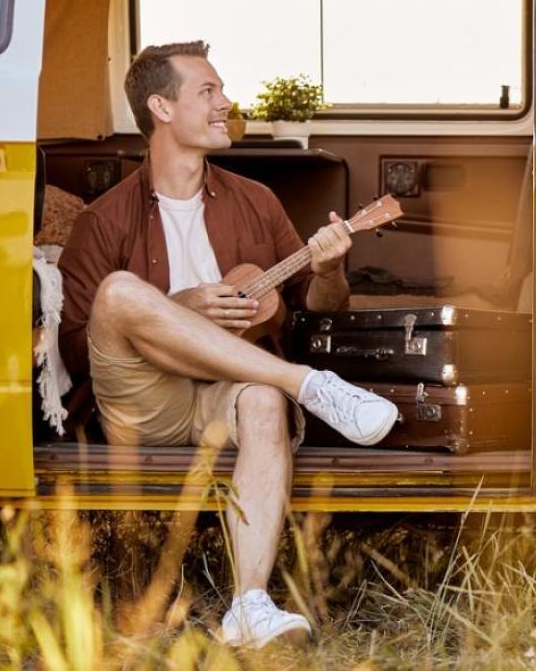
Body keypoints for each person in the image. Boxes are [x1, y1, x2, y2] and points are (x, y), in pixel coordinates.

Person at [59, 41, 399, 647]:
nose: (226, 103)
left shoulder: (256, 200)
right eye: (208, 92)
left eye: (222, 91)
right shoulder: (105, 219)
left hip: (228, 392)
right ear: (161, 107)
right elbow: (76, 347)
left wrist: (326, 271)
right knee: (118, 292)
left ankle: (250, 605)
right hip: (143, 400)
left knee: (264, 402)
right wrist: (174, 310)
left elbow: (315, 311)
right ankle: (310, 388)